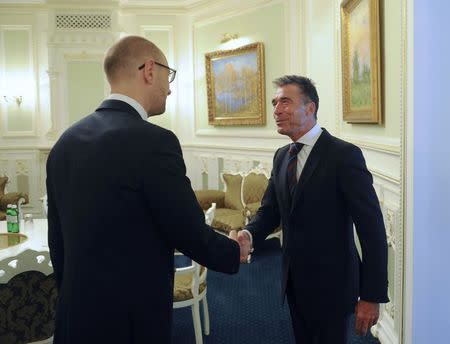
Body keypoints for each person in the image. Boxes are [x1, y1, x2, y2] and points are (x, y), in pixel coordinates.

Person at [46, 36, 243, 344]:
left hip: (76, 315)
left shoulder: (64, 142)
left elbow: (57, 241)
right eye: (169, 76)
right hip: (130, 320)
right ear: (150, 70)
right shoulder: (155, 142)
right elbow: (187, 230)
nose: (170, 87)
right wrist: (234, 251)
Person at [237, 75, 389, 344]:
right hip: (292, 281)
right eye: (274, 103)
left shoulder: (344, 156)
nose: (276, 110)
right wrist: (248, 235)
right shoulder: (282, 156)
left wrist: (371, 295)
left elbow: (372, 229)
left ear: (311, 108)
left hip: (333, 286)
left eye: (285, 101)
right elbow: (270, 211)